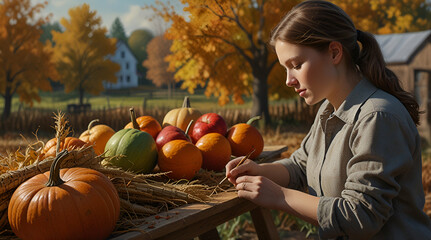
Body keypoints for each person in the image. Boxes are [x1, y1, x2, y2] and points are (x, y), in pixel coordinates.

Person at [225, 1, 431, 239]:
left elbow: (361, 216)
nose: (288, 80)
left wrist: (279, 196)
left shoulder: (377, 117)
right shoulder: (328, 109)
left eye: (296, 65)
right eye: (285, 68)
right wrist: (260, 171)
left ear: (334, 52)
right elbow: (301, 166)